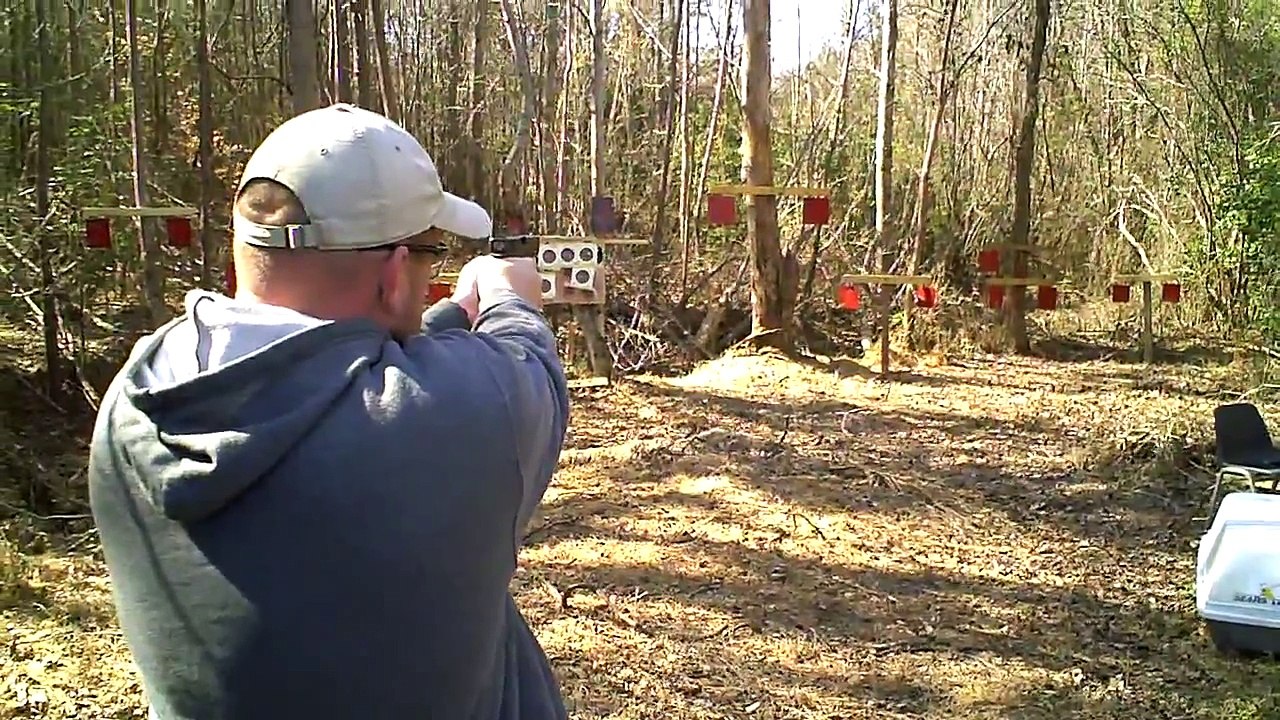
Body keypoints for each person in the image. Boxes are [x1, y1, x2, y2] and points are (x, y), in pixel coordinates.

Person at [87, 103, 572, 719]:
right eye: (429, 255)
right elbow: (525, 367)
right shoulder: (461, 411)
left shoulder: (139, 393)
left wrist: (449, 313)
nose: (430, 279)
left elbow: (327, 365)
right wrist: (509, 296)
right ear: (395, 275)